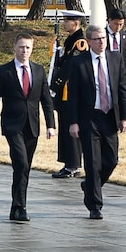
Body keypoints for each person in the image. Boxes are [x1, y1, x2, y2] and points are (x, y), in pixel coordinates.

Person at [64, 24, 126, 220]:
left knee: (111, 160)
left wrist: (125, 117)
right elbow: (73, 95)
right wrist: (73, 122)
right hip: (89, 117)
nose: (102, 42)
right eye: (97, 39)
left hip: (110, 116)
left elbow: (122, 90)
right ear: (89, 41)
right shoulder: (79, 62)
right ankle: (95, 205)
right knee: (92, 163)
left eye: (104, 38)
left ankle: (90, 185)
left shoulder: (115, 58)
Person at [0, 33, 55, 222]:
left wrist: (50, 125)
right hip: (12, 125)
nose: (24, 51)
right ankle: (20, 207)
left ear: (32, 49)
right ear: (15, 47)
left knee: (25, 167)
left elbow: (46, 100)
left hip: (32, 125)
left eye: (28, 47)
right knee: (21, 163)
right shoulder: (4, 71)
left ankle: (17, 205)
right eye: (21, 47)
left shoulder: (38, 70)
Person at [50, 9, 89, 178]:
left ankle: (73, 165)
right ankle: (68, 162)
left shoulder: (80, 42)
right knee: (65, 126)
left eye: (68, 21)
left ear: (76, 23)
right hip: (64, 92)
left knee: (70, 126)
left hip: (70, 91)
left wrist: (55, 85)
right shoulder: (70, 40)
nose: (64, 24)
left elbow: (71, 67)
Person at [105, 9, 126, 94]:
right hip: (105, 73)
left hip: (121, 75)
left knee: (122, 101)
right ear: (109, 20)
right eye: (116, 24)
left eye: (121, 24)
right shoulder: (101, 35)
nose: (118, 27)